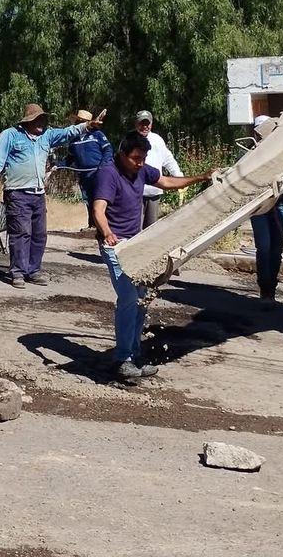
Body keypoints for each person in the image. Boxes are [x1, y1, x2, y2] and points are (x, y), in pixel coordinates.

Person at [92, 132, 210, 380]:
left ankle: (135, 356)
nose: (140, 163)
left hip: (137, 245)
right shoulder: (108, 173)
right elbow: (98, 209)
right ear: (123, 154)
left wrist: (200, 177)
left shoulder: (142, 170)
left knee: (143, 299)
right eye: (136, 158)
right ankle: (123, 360)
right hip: (115, 247)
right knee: (129, 298)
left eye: (143, 158)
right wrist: (108, 233)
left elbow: (165, 182)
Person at [0, 103, 99, 289]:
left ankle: (33, 270)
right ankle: (18, 272)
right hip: (17, 193)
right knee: (21, 233)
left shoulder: (47, 135)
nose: (42, 122)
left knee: (39, 234)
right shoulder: (10, 135)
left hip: (38, 194)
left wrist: (88, 125)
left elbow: (68, 132)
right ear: (28, 121)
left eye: (43, 119)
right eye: (38, 119)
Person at [248, 115, 283, 307]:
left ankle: (271, 288)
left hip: (279, 203)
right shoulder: (248, 155)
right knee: (264, 248)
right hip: (258, 207)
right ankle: (265, 289)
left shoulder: (282, 151)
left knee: (276, 248)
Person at [134, 110, 184, 229]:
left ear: (151, 124)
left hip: (154, 191)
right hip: (135, 193)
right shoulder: (130, 140)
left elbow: (168, 159)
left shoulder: (157, 140)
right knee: (134, 230)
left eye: (148, 123)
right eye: (142, 123)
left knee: (151, 229)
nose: (145, 127)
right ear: (136, 124)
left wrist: (179, 177)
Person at [65, 109, 112, 229]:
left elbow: (108, 150)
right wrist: (57, 165)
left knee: (100, 198)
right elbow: (69, 158)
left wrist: (103, 166)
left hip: (98, 173)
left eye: (81, 121)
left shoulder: (98, 135)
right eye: (78, 121)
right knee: (88, 199)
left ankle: (104, 226)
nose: (78, 124)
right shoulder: (74, 140)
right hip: (84, 175)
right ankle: (92, 225)